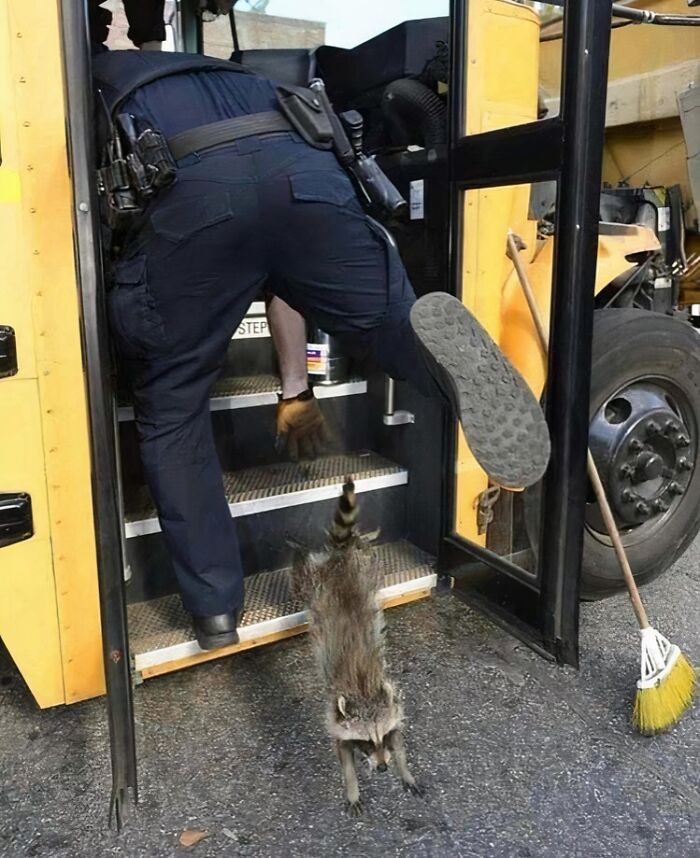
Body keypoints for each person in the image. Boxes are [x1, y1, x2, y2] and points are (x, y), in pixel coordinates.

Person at [91, 47, 551, 650]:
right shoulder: (239, 75)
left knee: (172, 409)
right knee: (385, 318)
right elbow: (280, 272)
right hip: (305, 175)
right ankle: (421, 343)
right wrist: (295, 385)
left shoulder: (92, 76)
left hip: (188, 190)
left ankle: (215, 609)